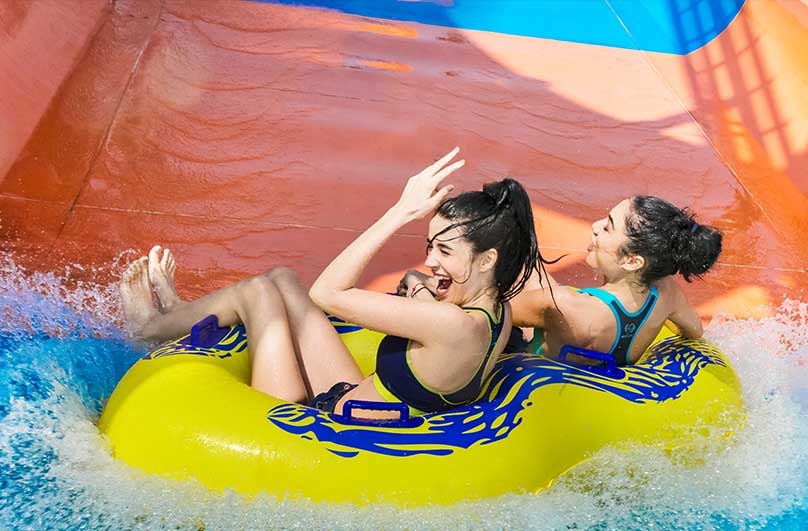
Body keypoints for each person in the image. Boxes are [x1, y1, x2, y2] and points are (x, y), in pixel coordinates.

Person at [118, 148, 544, 416]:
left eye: (444, 252)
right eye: (430, 245)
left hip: (313, 422)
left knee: (258, 291)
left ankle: (150, 328)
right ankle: (176, 312)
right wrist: (418, 285)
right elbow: (440, 324)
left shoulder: (453, 325)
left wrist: (400, 212)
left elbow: (327, 293)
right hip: (349, 395)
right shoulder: (496, 310)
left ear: (488, 258)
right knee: (283, 278)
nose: (430, 260)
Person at [506, 196, 722, 365]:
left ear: (631, 261)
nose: (595, 226)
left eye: (608, 227)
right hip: (598, 385)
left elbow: (489, 310)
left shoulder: (568, 306)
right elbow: (695, 331)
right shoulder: (667, 293)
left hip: (535, 390)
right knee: (529, 267)